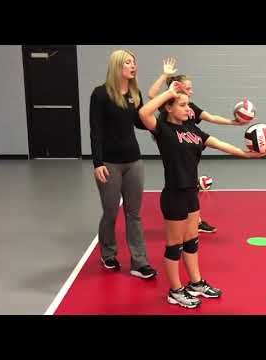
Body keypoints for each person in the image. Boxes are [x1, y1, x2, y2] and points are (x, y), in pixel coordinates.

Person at [139, 81, 266, 308]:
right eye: (182, 105)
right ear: (169, 107)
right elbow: (143, 111)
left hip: (191, 192)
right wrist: (169, 91)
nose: (188, 109)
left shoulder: (192, 129)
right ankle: (175, 290)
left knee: (191, 241)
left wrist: (245, 154)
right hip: (174, 194)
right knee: (174, 245)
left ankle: (196, 283)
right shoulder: (163, 130)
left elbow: (217, 143)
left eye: (188, 104)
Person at [148, 57, 247, 234]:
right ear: (178, 86)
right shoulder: (170, 103)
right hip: (176, 142)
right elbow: (151, 95)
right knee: (181, 180)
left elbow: (212, 117)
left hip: (192, 141)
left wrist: (234, 122)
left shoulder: (190, 106)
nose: (192, 91)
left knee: (190, 178)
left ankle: (196, 220)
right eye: (188, 87)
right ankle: (189, 222)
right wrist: (165, 76)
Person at [89, 49, 157, 279]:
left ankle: (140, 262)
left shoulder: (135, 94)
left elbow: (140, 122)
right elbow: (95, 131)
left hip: (134, 161)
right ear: (117, 66)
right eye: (128, 62)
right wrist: (97, 163)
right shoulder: (100, 94)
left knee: (134, 214)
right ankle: (108, 254)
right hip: (109, 162)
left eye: (134, 62)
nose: (133, 65)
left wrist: (161, 119)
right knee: (110, 212)